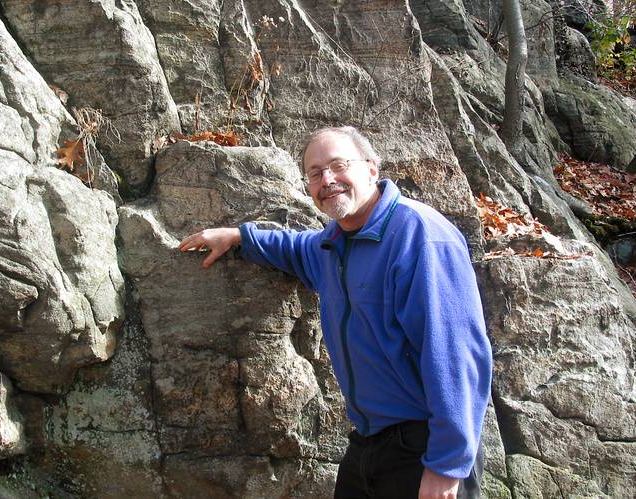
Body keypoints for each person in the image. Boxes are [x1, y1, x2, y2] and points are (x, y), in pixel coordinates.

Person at [179, 126, 492, 499]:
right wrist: (238, 237)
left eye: (338, 165)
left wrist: (445, 466)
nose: (327, 180)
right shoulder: (333, 245)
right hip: (368, 443)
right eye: (315, 173)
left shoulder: (420, 236)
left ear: (371, 169)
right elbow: (296, 249)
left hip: (425, 446)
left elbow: (457, 356)